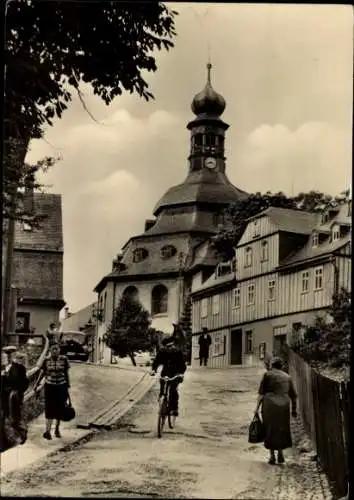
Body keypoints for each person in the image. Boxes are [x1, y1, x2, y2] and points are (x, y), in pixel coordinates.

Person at [254, 357, 298, 465]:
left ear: (272, 365)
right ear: (282, 366)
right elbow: (293, 396)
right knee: (282, 429)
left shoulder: (267, 375)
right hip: (284, 406)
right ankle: (281, 452)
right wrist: (294, 410)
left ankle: (272, 455)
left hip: (270, 406)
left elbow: (261, 393)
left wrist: (256, 408)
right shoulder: (288, 377)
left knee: (270, 429)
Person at [34, 342, 70, 440]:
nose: (55, 351)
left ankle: (57, 429)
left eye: (56, 349)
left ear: (59, 350)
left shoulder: (64, 359)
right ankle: (47, 431)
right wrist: (36, 384)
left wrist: (68, 386)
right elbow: (42, 373)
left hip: (61, 386)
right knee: (49, 408)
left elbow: (66, 373)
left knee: (60, 408)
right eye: (53, 349)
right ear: (50, 350)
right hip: (49, 386)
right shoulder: (46, 360)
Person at [150, 336, 187, 417]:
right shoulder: (162, 352)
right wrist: (153, 369)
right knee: (162, 390)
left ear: (173, 344)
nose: (170, 347)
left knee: (173, 391)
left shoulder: (177, 352)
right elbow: (156, 361)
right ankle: (162, 406)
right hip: (165, 373)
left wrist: (181, 373)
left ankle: (174, 409)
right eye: (167, 346)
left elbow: (182, 365)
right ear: (165, 346)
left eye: (171, 345)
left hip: (175, 373)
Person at [4, 351, 29, 444]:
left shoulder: (19, 368)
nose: (19, 360)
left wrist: (17, 391)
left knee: (15, 415)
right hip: (11, 394)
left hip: (14, 394)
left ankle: (21, 435)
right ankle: (18, 435)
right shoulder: (11, 367)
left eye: (20, 359)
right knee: (12, 415)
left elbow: (24, 382)